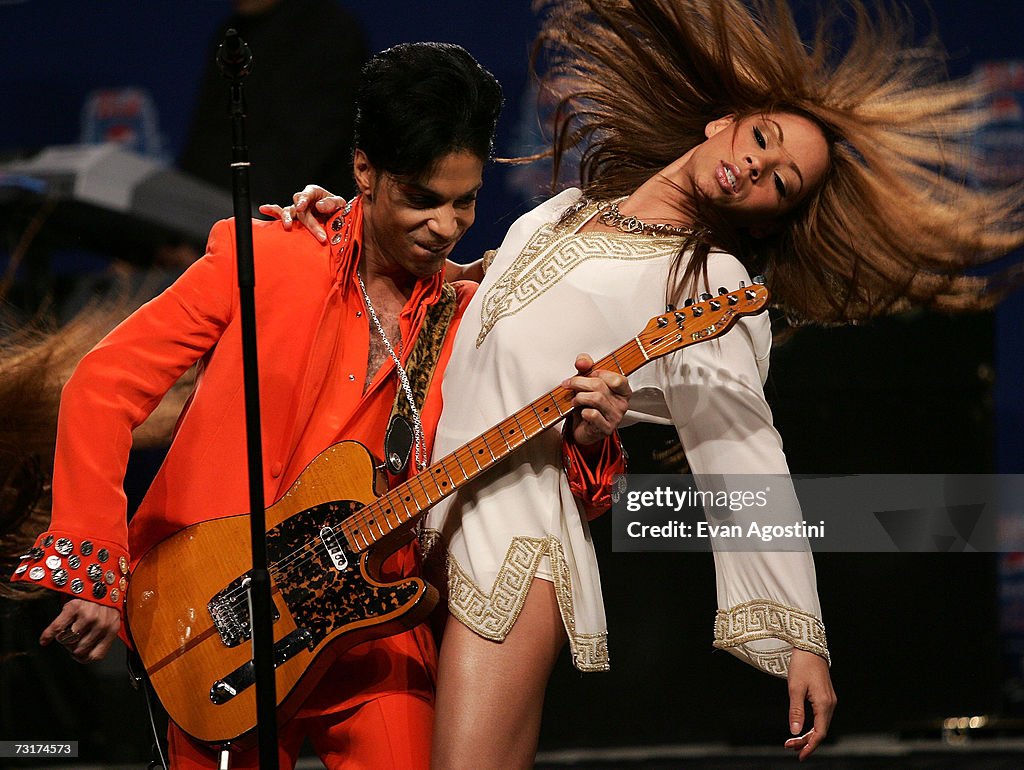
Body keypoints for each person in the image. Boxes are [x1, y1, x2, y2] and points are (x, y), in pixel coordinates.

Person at [279, 1, 1024, 766]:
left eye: (782, 182)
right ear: (723, 122)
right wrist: (352, 224)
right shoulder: (568, 212)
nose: (758, 166)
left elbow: (743, 450)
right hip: (409, 530)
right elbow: (452, 301)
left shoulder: (708, 282)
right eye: (762, 138)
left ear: (773, 218)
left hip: (512, 545)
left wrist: (801, 637)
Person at [8, 41, 628, 770]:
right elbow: (103, 384)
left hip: (374, 631)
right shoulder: (265, 257)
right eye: (422, 199)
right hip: (210, 615)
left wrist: (589, 436)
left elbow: (559, 492)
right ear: (365, 170)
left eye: (464, 201)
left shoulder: (471, 319)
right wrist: (95, 568)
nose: (447, 225)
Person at [179, 0, 370, 204]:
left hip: (297, 216)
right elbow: (205, 139)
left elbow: (306, 148)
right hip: (214, 213)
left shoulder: (331, 32)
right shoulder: (232, 33)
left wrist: (233, 214)